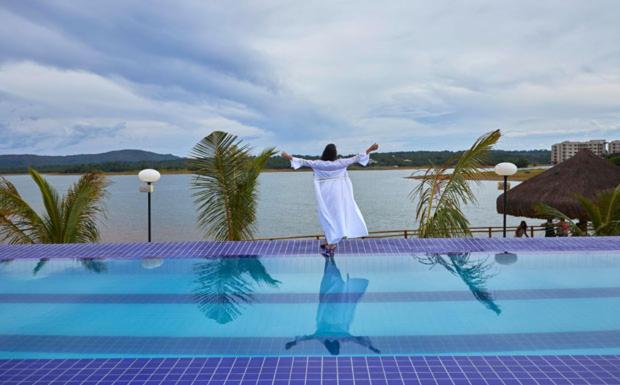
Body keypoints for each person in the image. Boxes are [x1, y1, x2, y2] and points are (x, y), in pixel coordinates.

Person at [281, 143, 379, 256]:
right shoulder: (341, 163)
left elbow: (303, 161)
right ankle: (330, 242)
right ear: (334, 153)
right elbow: (357, 157)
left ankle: (331, 244)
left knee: (326, 217)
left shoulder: (318, 164)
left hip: (324, 195)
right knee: (337, 217)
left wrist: (287, 156)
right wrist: (370, 149)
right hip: (338, 194)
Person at [284, 255, 380, 355]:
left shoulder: (328, 338)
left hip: (329, 310)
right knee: (329, 282)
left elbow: (307, 338)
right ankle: (330, 259)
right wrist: (371, 347)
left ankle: (328, 259)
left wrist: (294, 342)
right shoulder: (338, 338)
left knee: (328, 282)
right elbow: (358, 340)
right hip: (335, 311)